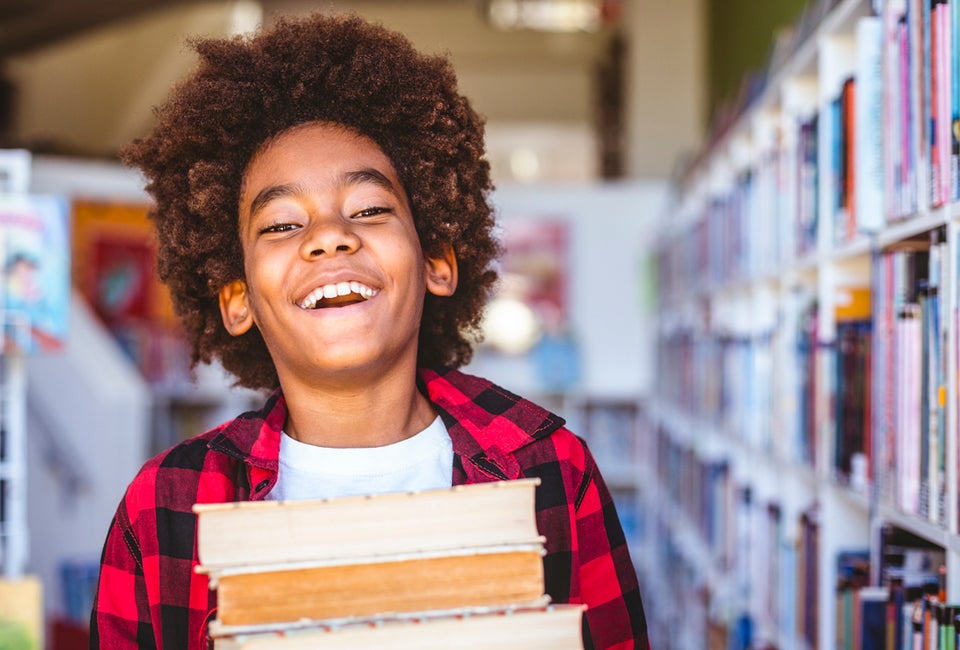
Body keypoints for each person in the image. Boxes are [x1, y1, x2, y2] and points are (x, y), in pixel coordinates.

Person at [89, 12, 650, 650]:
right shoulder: (162, 508)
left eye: (370, 209)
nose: (330, 235)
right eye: (279, 224)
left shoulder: (552, 469)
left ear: (437, 262)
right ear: (237, 298)